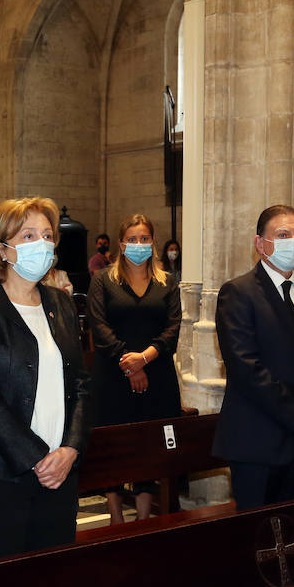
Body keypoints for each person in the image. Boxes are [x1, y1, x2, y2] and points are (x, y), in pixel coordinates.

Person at [0, 197, 92, 561]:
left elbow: (79, 384)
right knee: (4, 586)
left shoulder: (60, 304)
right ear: (3, 248)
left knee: (54, 580)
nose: (42, 244)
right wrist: (36, 457)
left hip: (60, 467)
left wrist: (71, 449)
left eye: (47, 235)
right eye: (28, 235)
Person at [213, 204, 294, 511]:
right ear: (260, 243)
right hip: (259, 441)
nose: (293, 242)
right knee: (257, 538)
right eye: (283, 234)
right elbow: (246, 368)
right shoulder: (239, 293)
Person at [86, 214, 183, 524]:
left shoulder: (167, 281)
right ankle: (116, 516)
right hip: (113, 375)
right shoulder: (103, 280)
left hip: (157, 374)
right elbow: (98, 326)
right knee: (113, 446)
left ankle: (143, 518)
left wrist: (145, 358)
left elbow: (173, 327)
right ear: (121, 243)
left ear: (152, 243)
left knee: (150, 447)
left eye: (144, 239)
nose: (138, 244)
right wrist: (129, 362)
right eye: (132, 239)